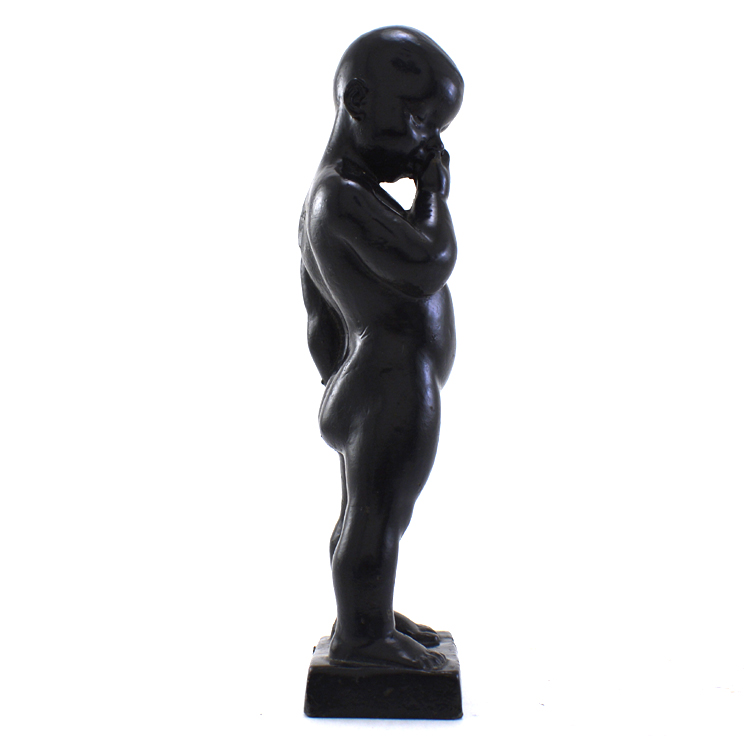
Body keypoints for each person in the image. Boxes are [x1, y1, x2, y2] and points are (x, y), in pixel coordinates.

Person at [299, 27, 463, 669]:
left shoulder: (340, 193)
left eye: (436, 127)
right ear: (359, 101)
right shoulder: (338, 196)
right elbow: (427, 264)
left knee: (371, 512)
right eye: (418, 118)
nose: (429, 140)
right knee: (378, 513)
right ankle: (363, 640)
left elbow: (317, 312)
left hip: (373, 376)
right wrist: (433, 194)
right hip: (388, 379)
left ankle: (365, 615)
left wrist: (336, 375)